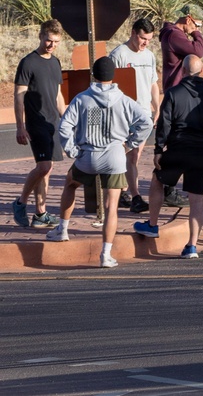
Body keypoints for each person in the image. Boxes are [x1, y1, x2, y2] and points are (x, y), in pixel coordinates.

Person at [51, 57, 153, 268]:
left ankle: (62, 229)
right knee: (111, 206)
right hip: (115, 156)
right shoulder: (124, 100)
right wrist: (130, 143)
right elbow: (146, 122)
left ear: (93, 75)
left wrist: (73, 150)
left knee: (70, 183)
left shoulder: (82, 99)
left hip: (88, 155)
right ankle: (106, 254)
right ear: (112, 76)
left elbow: (64, 127)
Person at [133, 56, 203, 260]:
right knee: (196, 199)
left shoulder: (173, 93)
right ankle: (192, 246)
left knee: (158, 179)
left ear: (182, 70)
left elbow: (165, 124)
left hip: (177, 148)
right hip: (202, 151)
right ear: (201, 72)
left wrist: (158, 149)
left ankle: (152, 225)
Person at [12, 19, 66, 229]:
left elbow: (58, 95)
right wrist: (20, 126)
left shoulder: (55, 62)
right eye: (48, 41)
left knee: (46, 170)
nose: (51, 45)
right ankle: (20, 202)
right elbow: (18, 96)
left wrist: (67, 118)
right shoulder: (28, 62)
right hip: (36, 123)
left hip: (52, 123)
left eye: (56, 42)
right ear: (41, 36)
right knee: (44, 166)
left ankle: (40, 213)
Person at [109, 17, 159, 214]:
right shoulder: (119, 55)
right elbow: (110, 86)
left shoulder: (149, 56)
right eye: (142, 38)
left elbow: (153, 83)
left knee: (134, 155)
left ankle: (123, 192)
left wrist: (157, 107)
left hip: (144, 114)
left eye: (149, 39)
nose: (145, 43)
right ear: (133, 33)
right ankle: (135, 196)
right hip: (125, 114)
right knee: (129, 154)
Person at [158, 3, 203, 208]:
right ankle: (167, 188)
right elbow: (198, 53)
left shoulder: (171, 34)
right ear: (188, 19)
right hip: (176, 92)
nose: (197, 29)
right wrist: (197, 36)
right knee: (176, 139)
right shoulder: (174, 35)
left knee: (177, 138)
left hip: (176, 91)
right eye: (196, 25)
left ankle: (169, 187)